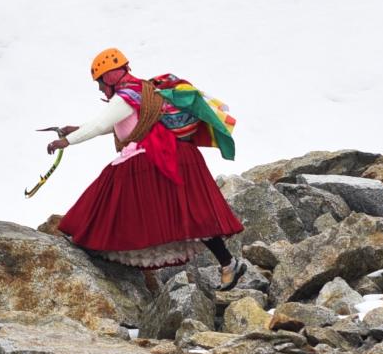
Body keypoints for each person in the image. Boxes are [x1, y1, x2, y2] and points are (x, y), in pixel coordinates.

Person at [46, 48, 246, 290]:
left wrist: (67, 141)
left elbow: (101, 124)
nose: (100, 89)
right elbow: (120, 122)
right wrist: (76, 129)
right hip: (176, 155)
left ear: (108, 77)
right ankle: (228, 263)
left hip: (160, 156)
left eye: (100, 82)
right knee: (193, 214)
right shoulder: (140, 89)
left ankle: (88, 242)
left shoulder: (124, 96)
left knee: (108, 192)